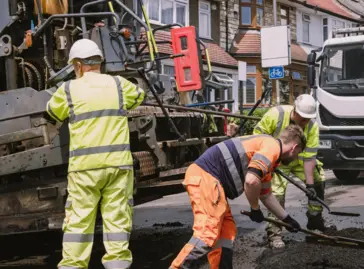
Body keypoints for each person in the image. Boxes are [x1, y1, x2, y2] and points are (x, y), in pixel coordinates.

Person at [45, 39, 145, 269]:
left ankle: (73, 265)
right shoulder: (118, 84)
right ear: (100, 62)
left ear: (78, 65)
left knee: (79, 221)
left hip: (84, 170)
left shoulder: (69, 89)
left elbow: (51, 112)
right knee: (117, 219)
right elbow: (138, 97)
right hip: (118, 166)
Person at [169, 125, 306, 269]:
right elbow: (251, 180)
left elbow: (266, 196)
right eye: (298, 153)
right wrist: (255, 209)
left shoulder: (268, 158)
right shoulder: (271, 147)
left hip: (213, 183)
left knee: (226, 233)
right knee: (206, 232)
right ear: (294, 147)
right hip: (206, 177)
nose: (296, 158)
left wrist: (287, 219)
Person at [253, 94, 333, 249]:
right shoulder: (276, 115)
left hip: (299, 160)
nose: (305, 122)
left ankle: (315, 220)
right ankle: (275, 233)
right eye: (303, 119)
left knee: (317, 181)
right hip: (276, 160)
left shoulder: (312, 126)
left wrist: (310, 185)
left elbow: (309, 158)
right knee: (275, 192)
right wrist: (270, 160)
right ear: (295, 111)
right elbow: (258, 138)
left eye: (308, 119)